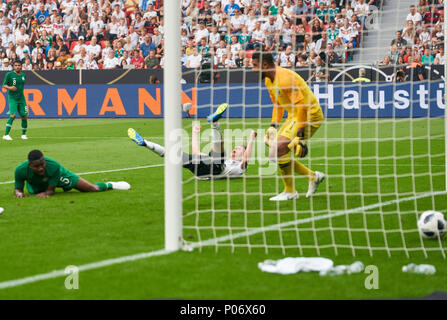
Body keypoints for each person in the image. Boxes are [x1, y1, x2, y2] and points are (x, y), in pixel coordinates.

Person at [251, 51, 325, 201]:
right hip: (294, 115)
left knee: (278, 149)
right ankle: (313, 177)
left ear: (264, 65)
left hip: (309, 113)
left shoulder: (284, 78)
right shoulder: (268, 80)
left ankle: (290, 191)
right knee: (273, 154)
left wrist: (300, 136)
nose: (252, 69)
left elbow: (302, 106)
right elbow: (278, 104)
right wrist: (273, 125)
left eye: (254, 66)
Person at [128, 104, 257, 180]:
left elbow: (246, 160)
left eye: (240, 148)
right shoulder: (228, 160)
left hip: (215, 170)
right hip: (202, 172)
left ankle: (215, 123)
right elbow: (196, 152)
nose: (236, 148)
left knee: (176, 155)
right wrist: (195, 134)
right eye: (237, 147)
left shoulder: (239, 168)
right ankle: (144, 142)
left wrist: (251, 139)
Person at [14, 150, 131, 198]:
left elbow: (50, 191)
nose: (40, 168)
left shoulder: (53, 166)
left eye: (42, 164)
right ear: (30, 165)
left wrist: (47, 193)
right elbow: (17, 189)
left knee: (91, 189)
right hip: (37, 186)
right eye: (37, 166)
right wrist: (19, 193)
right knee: (35, 192)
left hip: (59, 176)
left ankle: (110, 185)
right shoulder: (20, 170)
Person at [3, 60, 28, 141]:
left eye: (19, 65)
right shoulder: (9, 74)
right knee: (13, 115)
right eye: (16, 65)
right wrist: (10, 88)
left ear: (21, 66)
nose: (17, 67)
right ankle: (6, 135)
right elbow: (4, 85)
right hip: (12, 98)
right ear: (13, 66)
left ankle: (23, 135)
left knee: (24, 116)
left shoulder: (23, 75)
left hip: (21, 98)